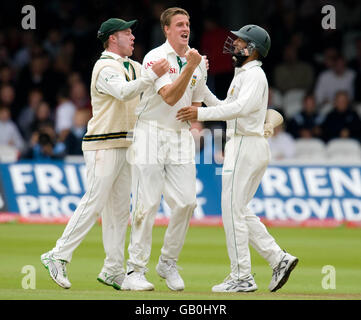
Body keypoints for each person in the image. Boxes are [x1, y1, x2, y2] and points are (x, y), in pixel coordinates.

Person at [40, 18, 169, 290]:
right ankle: (58, 254)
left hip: (125, 144)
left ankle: (113, 269)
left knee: (119, 212)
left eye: (133, 32)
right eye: (127, 33)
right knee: (95, 201)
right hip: (102, 144)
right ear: (113, 38)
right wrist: (151, 75)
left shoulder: (133, 66)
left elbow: (151, 91)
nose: (133, 37)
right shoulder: (104, 67)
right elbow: (122, 93)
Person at [177, 25, 298, 292]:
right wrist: (203, 84)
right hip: (245, 144)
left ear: (252, 49)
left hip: (246, 144)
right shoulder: (244, 74)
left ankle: (242, 276)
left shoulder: (254, 75)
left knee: (232, 212)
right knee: (238, 210)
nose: (234, 45)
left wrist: (198, 115)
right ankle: (278, 258)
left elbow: (239, 110)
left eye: (241, 42)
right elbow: (224, 106)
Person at [121, 7, 207, 292]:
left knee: (186, 203)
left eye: (188, 23)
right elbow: (169, 97)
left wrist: (195, 117)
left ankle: (167, 262)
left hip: (180, 137)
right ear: (167, 29)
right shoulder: (154, 58)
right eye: (180, 24)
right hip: (150, 133)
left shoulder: (197, 61)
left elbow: (195, 104)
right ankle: (135, 270)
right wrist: (191, 66)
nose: (186, 28)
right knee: (147, 203)